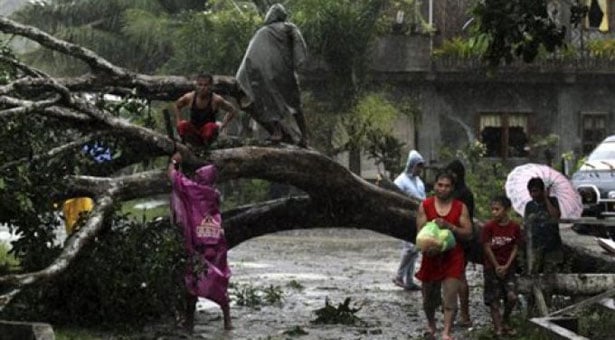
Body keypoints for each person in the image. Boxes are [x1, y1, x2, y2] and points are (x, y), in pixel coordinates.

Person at [168, 152, 232, 331]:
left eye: (198, 176)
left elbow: (173, 178)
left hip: (197, 245)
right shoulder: (215, 194)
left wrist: (174, 161)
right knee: (218, 281)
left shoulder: (194, 191)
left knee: (192, 282)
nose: (195, 178)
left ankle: (189, 322)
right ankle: (227, 320)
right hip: (217, 243)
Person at [235, 3, 309, 146]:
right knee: (295, 105)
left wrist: (243, 75)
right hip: (285, 73)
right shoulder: (289, 28)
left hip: (268, 75)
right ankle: (302, 136)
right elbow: (300, 47)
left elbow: (250, 56)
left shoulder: (263, 32)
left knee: (271, 103)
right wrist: (299, 63)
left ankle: (278, 132)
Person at [415, 171, 473, 340]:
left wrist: (450, 226)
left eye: (447, 186)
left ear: (452, 188)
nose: (443, 189)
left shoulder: (460, 207)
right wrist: (428, 246)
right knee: (428, 299)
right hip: (431, 255)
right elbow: (419, 232)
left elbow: (469, 232)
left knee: (450, 295)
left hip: (452, 257)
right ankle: (431, 324)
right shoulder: (425, 205)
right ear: (434, 186)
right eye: (440, 185)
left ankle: (446, 331)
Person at [481, 195, 521, 336]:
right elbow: (487, 247)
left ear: (506, 210)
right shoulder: (488, 227)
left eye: (497, 209)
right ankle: (498, 328)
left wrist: (507, 265)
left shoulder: (515, 227)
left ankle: (505, 320)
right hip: (491, 268)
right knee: (494, 299)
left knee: (512, 296)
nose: (494, 212)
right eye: (492, 209)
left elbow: (516, 247)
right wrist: (497, 265)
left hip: (509, 268)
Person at [445, 159, 475, 327]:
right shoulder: (458, 191)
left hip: (459, 238)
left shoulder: (463, 193)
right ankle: (456, 312)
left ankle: (464, 314)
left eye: (452, 173)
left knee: (459, 277)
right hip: (452, 237)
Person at [171, 73, 238, 146]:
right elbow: (177, 105)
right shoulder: (190, 97)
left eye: (205, 85)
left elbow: (232, 110)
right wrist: (178, 121)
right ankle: (188, 144)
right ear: (196, 86)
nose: (203, 88)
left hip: (208, 133)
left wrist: (223, 125)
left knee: (211, 127)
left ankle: (205, 147)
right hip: (193, 131)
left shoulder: (216, 99)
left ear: (211, 86)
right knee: (183, 125)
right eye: (200, 85)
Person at [391, 150, 425, 291]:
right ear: (412, 165)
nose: (420, 169)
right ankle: (399, 275)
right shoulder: (400, 181)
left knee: (415, 249)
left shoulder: (419, 182)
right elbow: (393, 198)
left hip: (419, 218)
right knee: (410, 248)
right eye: (418, 166)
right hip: (405, 217)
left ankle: (409, 280)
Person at [524, 177, 563, 274]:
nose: (533, 194)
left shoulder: (553, 201)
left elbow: (556, 215)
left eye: (535, 191)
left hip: (552, 244)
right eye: (531, 192)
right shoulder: (529, 205)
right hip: (536, 244)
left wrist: (546, 199)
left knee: (551, 273)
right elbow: (526, 224)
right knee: (534, 272)